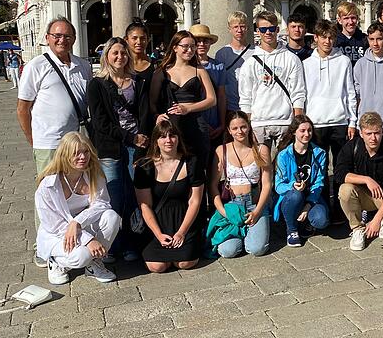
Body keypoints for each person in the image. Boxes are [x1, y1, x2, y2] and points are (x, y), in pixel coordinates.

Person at [18, 16, 93, 268]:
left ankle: (70, 240)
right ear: (48, 38)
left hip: (74, 142)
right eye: (57, 35)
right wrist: (33, 139)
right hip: (48, 142)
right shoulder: (36, 66)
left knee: (71, 193)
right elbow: (22, 108)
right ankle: (44, 247)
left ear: (74, 38)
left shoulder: (83, 66)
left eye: (67, 36)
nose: (62, 40)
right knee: (48, 193)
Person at [87, 37, 149, 263]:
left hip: (136, 147)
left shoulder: (138, 81)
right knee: (113, 196)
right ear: (107, 56)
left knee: (134, 195)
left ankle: (132, 242)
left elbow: (144, 114)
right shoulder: (97, 84)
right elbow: (100, 122)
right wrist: (130, 136)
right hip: (110, 147)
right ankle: (111, 244)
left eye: (123, 53)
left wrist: (141, 140)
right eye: (115, 53)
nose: (120, 57)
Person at [35, 132, 120, 285]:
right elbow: (54, 225)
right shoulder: (47, 186)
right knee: (81, 256)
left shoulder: (94, 174)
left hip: (83, 226)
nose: (83, 157)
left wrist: (77, 222)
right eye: (76, 153)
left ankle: (94, 263)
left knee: (111, 217)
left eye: (86, 151)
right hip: (58, 233)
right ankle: (56, 262)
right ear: (65, 155)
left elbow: (102, 203)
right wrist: (88, 240)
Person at [303, 20, 358, 220]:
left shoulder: (343, 61)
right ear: (315, 38)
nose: (327, 41)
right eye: (323, 37)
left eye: (331, 37)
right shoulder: (306, 64)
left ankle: (342, 211)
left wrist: (353, 121)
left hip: (340, 121)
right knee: (320, 170)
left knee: (342, 167)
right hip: (316, 123)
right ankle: (323, 207)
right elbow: (304, 94)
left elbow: (350, 92)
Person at [134, 120, 206, 272]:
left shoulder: (192, 162)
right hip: (157, 223)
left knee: (185, 263)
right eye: (162, 137)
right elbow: (145, 206)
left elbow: (195, 201)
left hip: (184, 220)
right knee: (157, 266)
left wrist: (182, 232)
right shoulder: (144, 167)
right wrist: (159, 234)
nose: (168, 140)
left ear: (178, 138)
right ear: (156, 141)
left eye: (172, 136)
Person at [335, 112, 383, 250]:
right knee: (345, 189)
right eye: (368, 134)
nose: (373, 138)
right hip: (362, 195)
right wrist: (366, 180)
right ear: (361, 133)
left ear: (382, 131)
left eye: (377, 133)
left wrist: (377, 220)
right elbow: (339, 174)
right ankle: (357, 229)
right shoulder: (352, 147)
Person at [207, 111, 273, 257]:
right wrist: (223, 211)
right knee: (228, 251)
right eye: (235, 128)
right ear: (229, 131)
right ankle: (242, 234)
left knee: (257, 249)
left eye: (243, 127)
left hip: (254, 203)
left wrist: (257, 211)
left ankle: (252, 232)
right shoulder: (221, 150)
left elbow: (267, 184)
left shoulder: (261, 149)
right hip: (231, 205)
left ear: (248, 127)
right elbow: (212, 185)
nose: (240, 131)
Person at [238, 10, 306, 150]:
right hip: (258, 123)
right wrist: (248, 125)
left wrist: (298, 123)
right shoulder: (250, 62)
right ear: (258, 31)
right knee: (262, 169)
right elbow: (245, 97)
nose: (268, 32)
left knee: (284, 168)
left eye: (271, 29)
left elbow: (298, 93)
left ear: (277, 29)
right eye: (263, 29)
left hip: (285, 122)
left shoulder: (291, 58)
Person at [150, 31, 217, 167]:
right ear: (175, 47)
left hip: (196, 123)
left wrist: (188, 108)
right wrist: (157, 116)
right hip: (173, 125)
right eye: (185, 46)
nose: (190, 50)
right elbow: (152, 101)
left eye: (193, 46)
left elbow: (212, 99)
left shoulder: (200, 70)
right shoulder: (162, 71)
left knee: (198, 165)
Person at [273, 115, 329, 247]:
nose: (307, 134)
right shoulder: (283, 155)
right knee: (295, 195)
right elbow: (278, 185)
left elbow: (319, 182)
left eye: (309, 130)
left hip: (311, 196)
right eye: (302, 130)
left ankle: (305, 223)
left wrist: (308, 206)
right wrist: (292, 185)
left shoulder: (320, 153)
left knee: (321, 220)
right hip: (290, 197)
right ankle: (291, 230)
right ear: (294, 132)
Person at [190, 24, 227, 147]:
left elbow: (221, 96)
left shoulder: (218, 66)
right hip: (193, 121)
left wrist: (222, 123)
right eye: (197, 41)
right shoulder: (187, 66)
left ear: (210, 43)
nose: (201, 44)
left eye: (205, 41)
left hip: (214, 121)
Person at [125, 18, 156, 145]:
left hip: (149, 123)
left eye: (143, 38)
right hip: (126, 124)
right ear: (126, 40)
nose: (139, 42)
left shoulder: (155, 66)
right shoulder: (121, 65)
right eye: (134, 38)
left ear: (148, 40)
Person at [214, 11, 253, 112]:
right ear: (229, 29)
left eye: (242, 26)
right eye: (235, 27)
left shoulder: (256, 52)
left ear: (247, 28)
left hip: (252, 106)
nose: (239, 30)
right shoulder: (222, 54)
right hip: (230, 106)